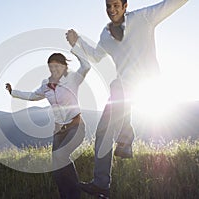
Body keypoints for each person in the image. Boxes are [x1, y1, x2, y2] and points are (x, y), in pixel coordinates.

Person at [66, 0, 188, 198]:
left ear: (125, 6)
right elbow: (96, 56)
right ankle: (102, 183)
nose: (111, 10)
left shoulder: (143, 17)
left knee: (120, 91)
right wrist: (77, 41)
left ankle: (125, 139)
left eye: (116, 5)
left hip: (146, 83)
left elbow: (170, 4)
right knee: (103, 131)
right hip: (123, 87)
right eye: (108, 6)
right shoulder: (106, 34)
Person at [5, 51, 91, 199]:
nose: (53, 69)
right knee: (57, 167)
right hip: (58, 131)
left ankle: (76, 191)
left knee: (61, 155)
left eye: (57, 66)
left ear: (64, 66)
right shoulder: (46, 84)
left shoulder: (72, 80)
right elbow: (32, 96)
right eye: (51, 67)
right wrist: (13, 92)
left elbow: (86, 66)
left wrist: (76, 49)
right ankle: (65, 196)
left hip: (75, 127)